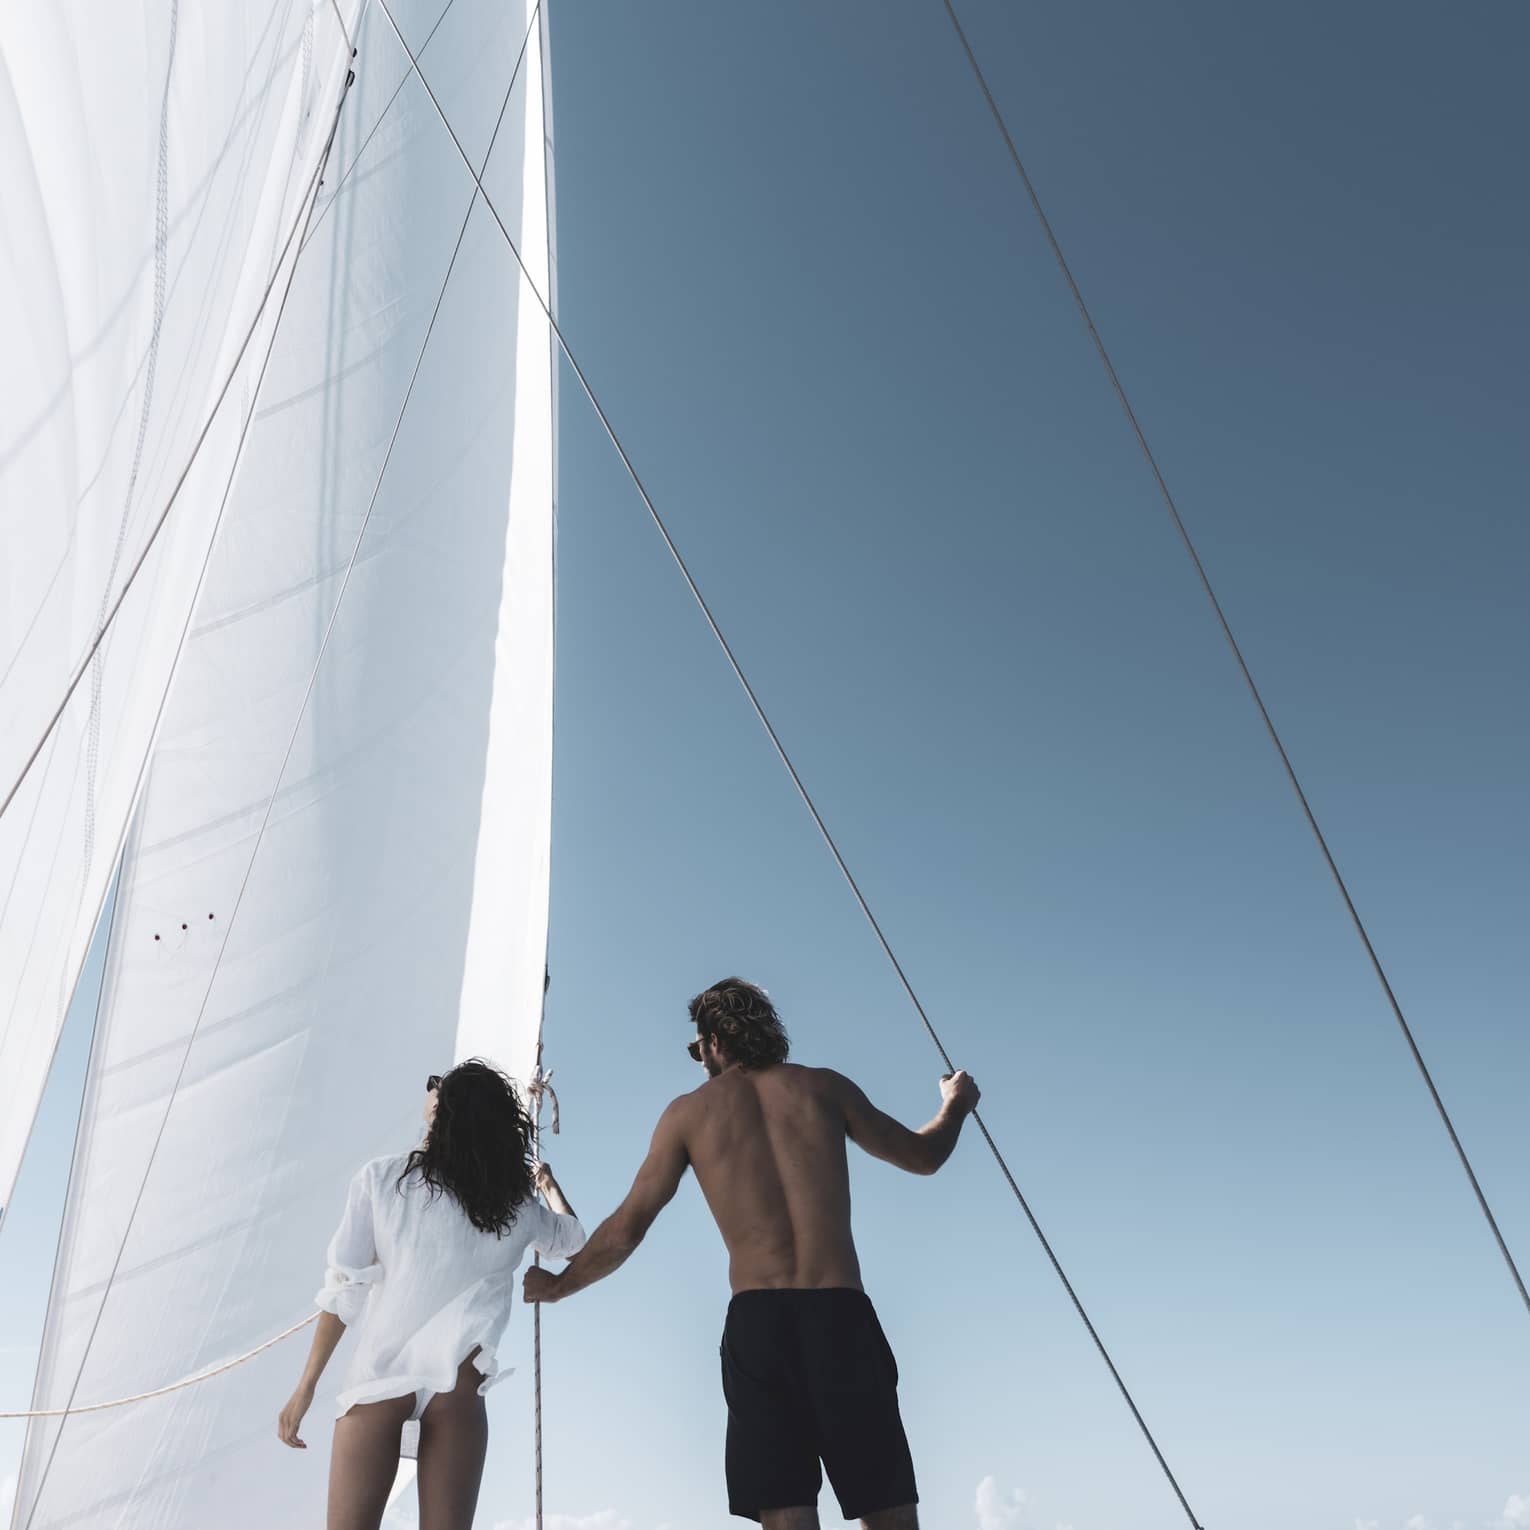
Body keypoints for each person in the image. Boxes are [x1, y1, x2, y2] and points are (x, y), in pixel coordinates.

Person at [524, 978, 980, 1530]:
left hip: (761, 1324)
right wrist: (954, 1105)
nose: (698, 1061)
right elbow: (925, 1154)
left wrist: (557, 1286)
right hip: (841, 1315)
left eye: (697, 1049)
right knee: (888, 1511)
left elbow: (627, 1228)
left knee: (787, 1515)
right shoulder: (826, 1089)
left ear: (715, 1041)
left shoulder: (688, 1115)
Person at [279, 1059, 584, 1530]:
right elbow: (574, 1239)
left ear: (441, 1108)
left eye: (435, 1087)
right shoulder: (516, 1205)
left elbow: (345, 1291)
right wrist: (546, 1183)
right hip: (457, 1394)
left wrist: (306, 1389)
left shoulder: (381, 1180)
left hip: (380, 1380)